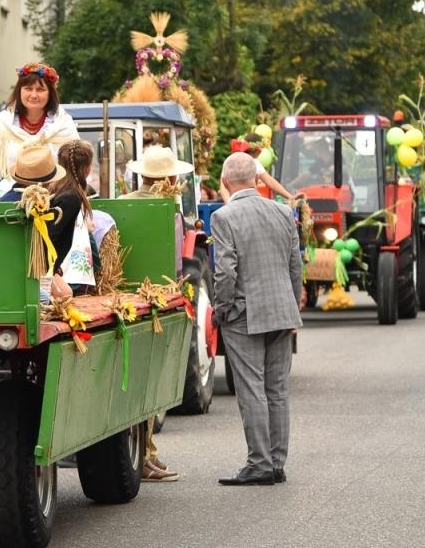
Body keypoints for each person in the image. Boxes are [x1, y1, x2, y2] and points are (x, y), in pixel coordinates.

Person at [212, 151, 304, 486]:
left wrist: (221, 310)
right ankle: (276, 463)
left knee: (252, 390)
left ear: (225, 182)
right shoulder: (283, 212)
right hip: (281, 311)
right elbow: (295, 266)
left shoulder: (224, 216)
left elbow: (225, 271)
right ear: (256, 179)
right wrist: (292, 307)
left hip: (243, 314)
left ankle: (259, 463)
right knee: (277, 390)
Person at [121, 144, 195, 482]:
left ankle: (146, 451)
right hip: (156, 299)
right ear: (171, 178)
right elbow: (175, 264)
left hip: (124, 299)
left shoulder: (123, 203)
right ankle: (145, 454)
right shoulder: (169, 211)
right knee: (149, 384)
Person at [0, 62, 79, 197]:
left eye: (40, 90)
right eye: (28, 89)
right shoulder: (2, 123)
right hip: (9, 198)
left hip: (56, 197)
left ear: (50, 93)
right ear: (19, 91)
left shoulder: (63, 123)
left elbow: (76, 169)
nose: (34, 95)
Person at [0, 146, 78, 304]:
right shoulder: (37, 208)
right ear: (47, 182)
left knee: (64, 293)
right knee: (58, 298)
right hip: (19, 280)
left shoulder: (2, 202)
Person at [52, 141, 98, 296]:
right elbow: (52, 235)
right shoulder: (71, 197)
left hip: (57, 267)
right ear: (87, 168)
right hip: (63, 270)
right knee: (66, 296)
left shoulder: (58, 190)